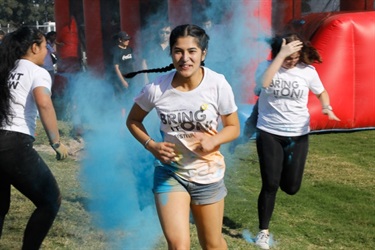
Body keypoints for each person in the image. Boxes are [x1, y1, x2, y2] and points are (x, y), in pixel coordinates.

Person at [126, 24, 240, 250]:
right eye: (178, 51)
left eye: (192, 51)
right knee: (178, 246)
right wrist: (151, 145)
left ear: (203, 54)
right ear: (170, 53)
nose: (184, 58)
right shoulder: (156, 88)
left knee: (212, 244)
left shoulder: (217, 84)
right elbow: (133, 120)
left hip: (207, 173)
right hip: (170, 173)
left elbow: (233, 127)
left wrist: (214, 140)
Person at [253, 33, 340, 249]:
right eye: (287, 56)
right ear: (278, 52)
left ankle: (282, 172)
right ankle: (263, 231)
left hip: (298, 134)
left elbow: (322, 92)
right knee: (270, 184)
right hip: (269, 132)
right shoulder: (266, 67)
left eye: (295, 56)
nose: (291, 61)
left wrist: (327, 107)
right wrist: (280, 56)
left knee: (291, 187)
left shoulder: (307, 71)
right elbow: (263, 84)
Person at [0, 27, 69, 249]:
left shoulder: (7, 68)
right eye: (45, 46)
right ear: (34, 47)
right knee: (50, 200)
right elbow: (44, 103)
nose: (48, 51)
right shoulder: (37, 72)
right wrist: (56, 142)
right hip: (14, 145)